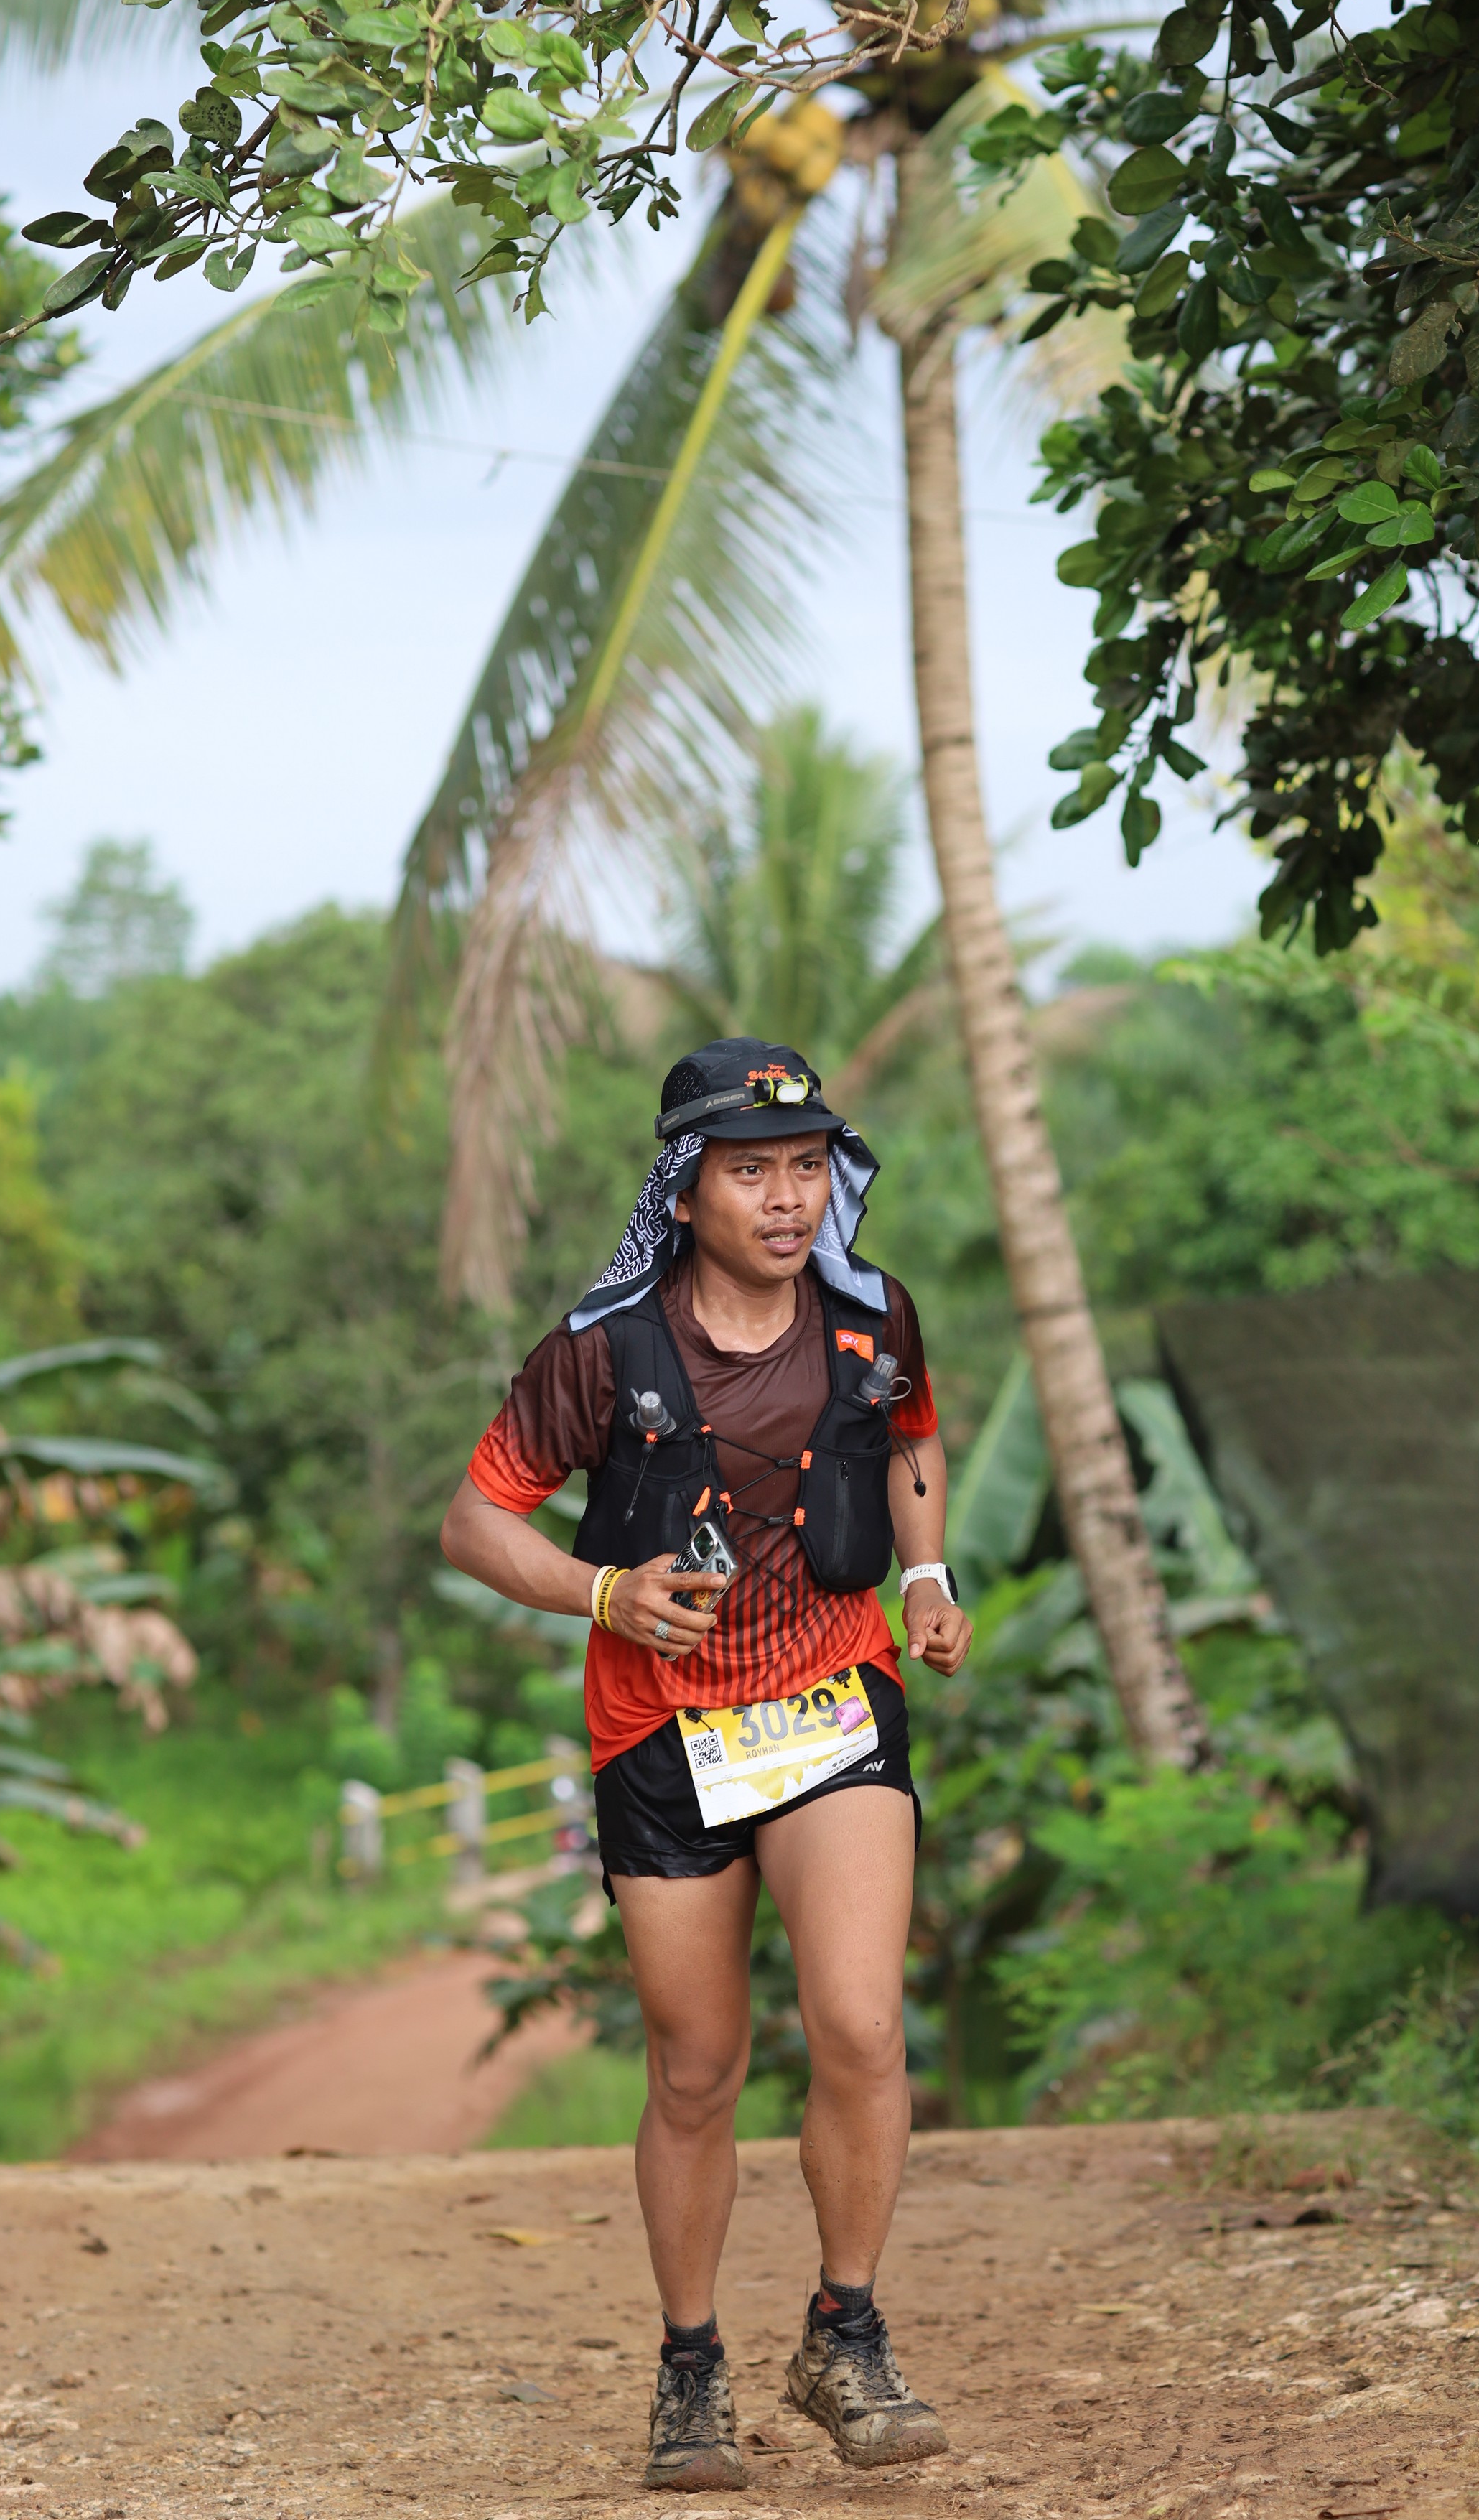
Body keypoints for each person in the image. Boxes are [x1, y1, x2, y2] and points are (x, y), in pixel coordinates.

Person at [442, 1037, 972, 2492]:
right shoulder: (602, 1350)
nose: (789, 1198)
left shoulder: (872, 1314)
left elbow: (913, 1437)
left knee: (860, 2023)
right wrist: (605, 1593)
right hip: (662, 1733)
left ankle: (845, 2333)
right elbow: (476, 1521)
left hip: (834, 1698)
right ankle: (691, 2366)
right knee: (696, 2068)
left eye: (808, 1167)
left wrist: (927, 1574)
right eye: (753, 1172)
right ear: (685, 1190)